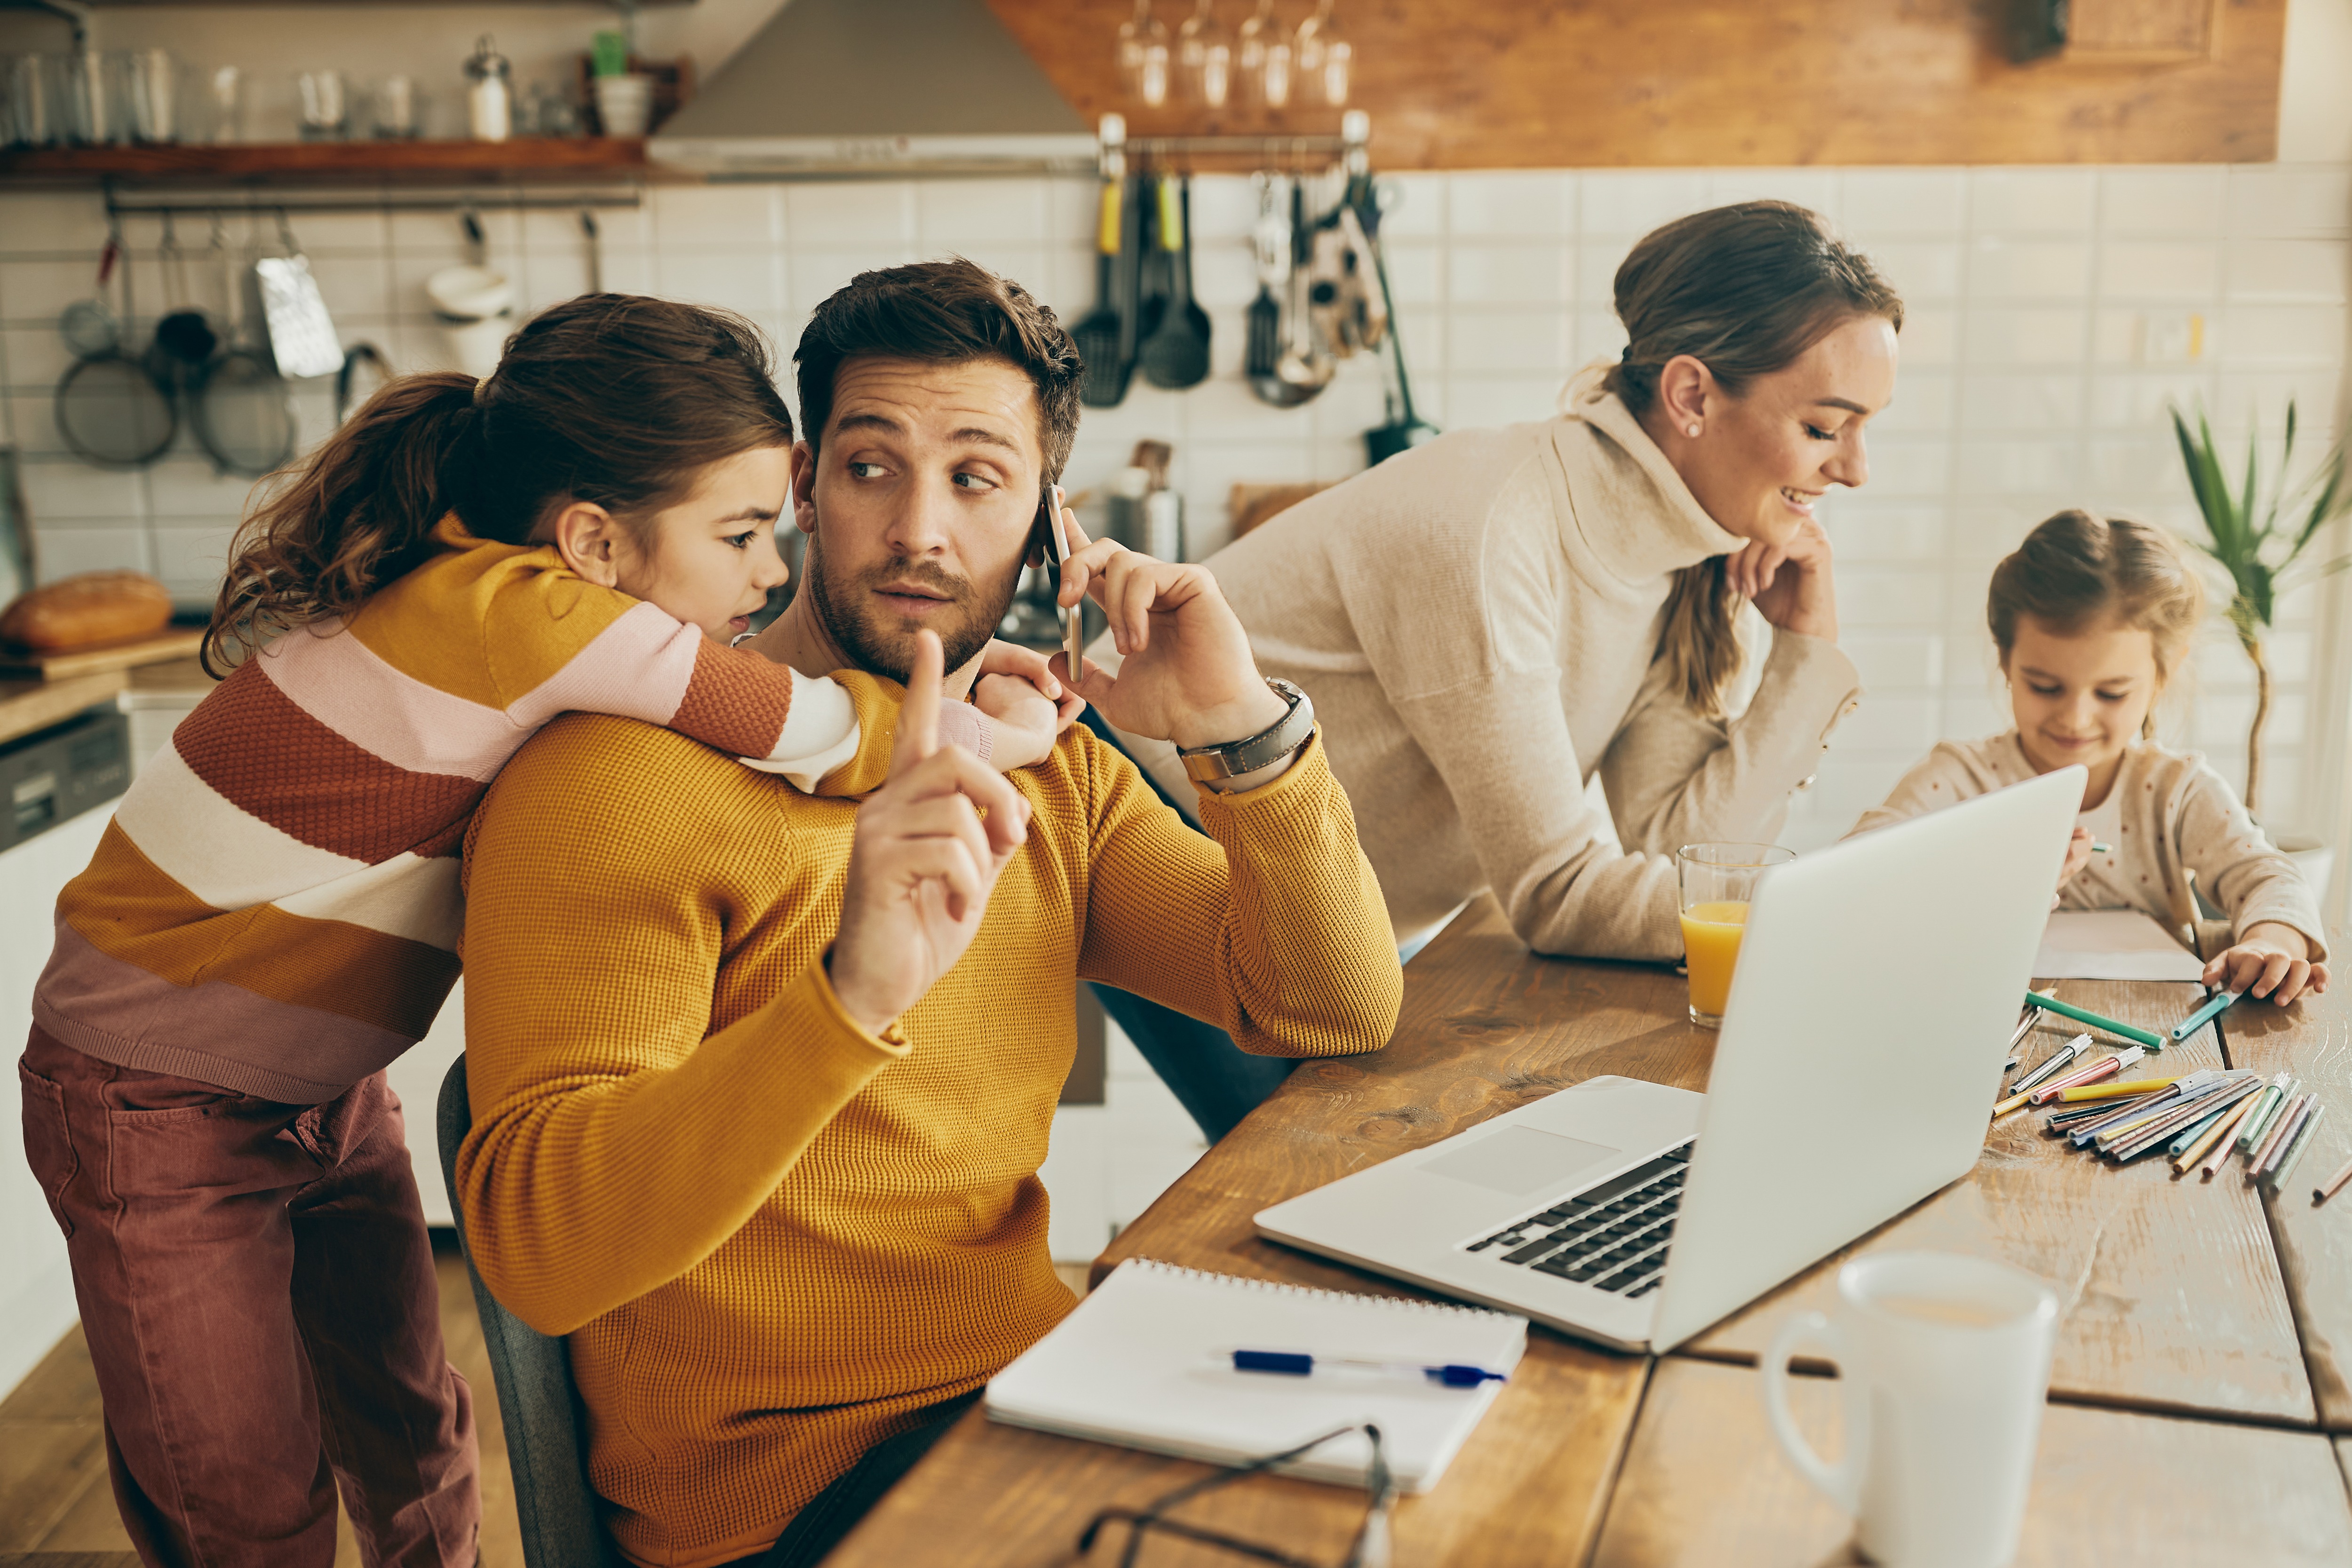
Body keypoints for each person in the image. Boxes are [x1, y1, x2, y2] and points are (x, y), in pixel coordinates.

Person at [16, 294, 1064, 1568]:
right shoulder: (530, 614)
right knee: (236, 1490)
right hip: (150, 1095)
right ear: (595, 543)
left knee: (410, 1421)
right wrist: (1009, 725)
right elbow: (813, 730)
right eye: (739, 533)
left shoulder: (503, 597)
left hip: (317, 1084)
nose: (773, 569)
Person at [452, 259, 1402, 1568]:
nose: (920, 535)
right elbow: (542, 1254)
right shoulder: (616, 774)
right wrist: (850, 998)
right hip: (787, 1508)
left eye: (975, 476)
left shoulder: (1049, 766)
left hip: (1037, 1404)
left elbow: (1330, 1002)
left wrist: (1238, 730)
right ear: (800, 484)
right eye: (870, 467)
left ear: (1052, 519)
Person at [1101, 200, 1896, 1133]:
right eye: (1824, 427)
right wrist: (1842, 915)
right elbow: (1558, 897)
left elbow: (1682, 854)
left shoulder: (1681, 558)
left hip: (1314, 891)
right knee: (1298, 1160)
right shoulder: (1490, 528)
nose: (1855, 470)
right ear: (1689, 397)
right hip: (1160, 818)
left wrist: (1805, 658)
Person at [1849, 509, 2329, 1005]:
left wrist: (2271, 941)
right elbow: (1853, 877)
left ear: (2163, 674)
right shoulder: (1959, 778)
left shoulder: (2175, 790)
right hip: (1973, 1011)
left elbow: (2267, 876)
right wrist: (1995, 874)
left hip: (2157, 1031)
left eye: (2111, 693)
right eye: (2045, 686)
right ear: (2004, 659)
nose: (2075, 719)